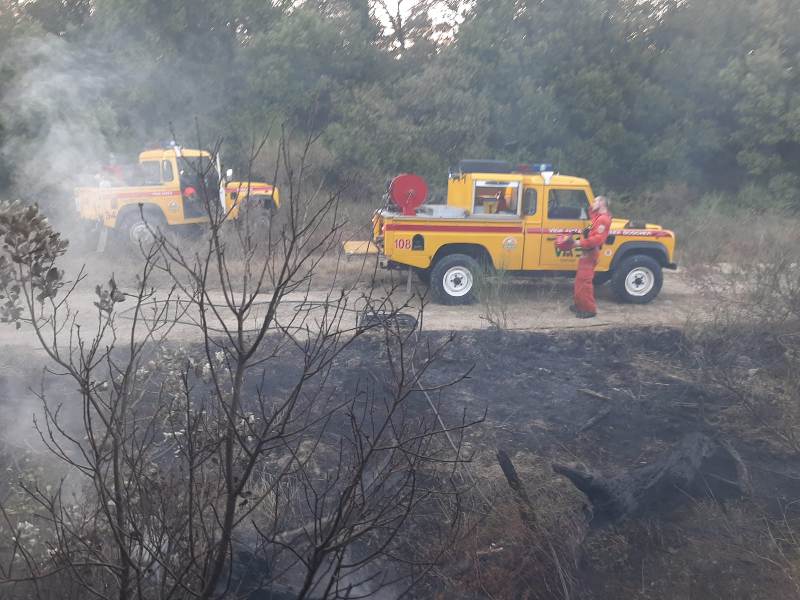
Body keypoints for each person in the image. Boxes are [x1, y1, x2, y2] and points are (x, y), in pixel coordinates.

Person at [560, 196, 612, 318]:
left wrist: (578, 243)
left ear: (602, 203)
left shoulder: (603, 220)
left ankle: (589, 310)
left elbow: (597, 239)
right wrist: (592, 208)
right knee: (579, 281)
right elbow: (590, 224)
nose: (592, 203)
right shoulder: (597, 218)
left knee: (585, 283)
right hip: (586, 252)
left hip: (590, 253)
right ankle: (580, 306)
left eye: (595, 201)